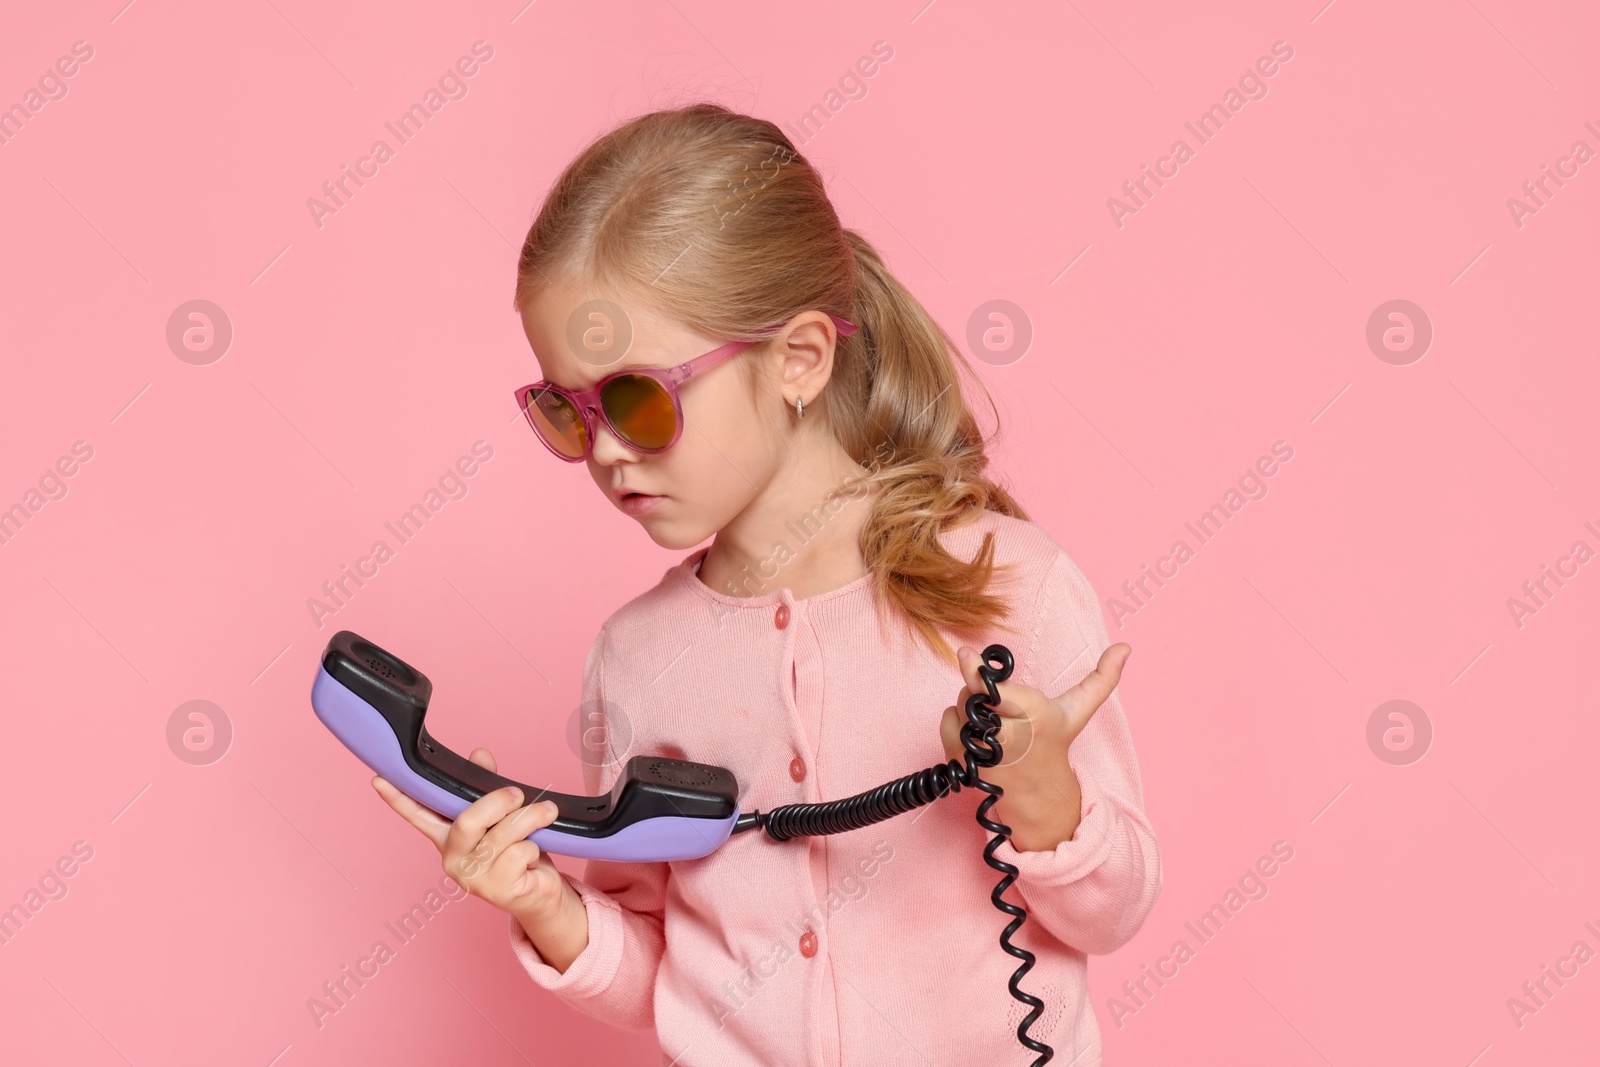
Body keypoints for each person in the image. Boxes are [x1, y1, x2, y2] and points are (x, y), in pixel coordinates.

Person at [374, 102, 1160, 1066]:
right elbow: (662, 972)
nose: (607, 453)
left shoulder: (1004, 587)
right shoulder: (637, 657)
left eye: (635, 398)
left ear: (797, 359)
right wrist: (543, 900)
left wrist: (1046, 802)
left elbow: (1112, 913)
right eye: (568, 410)